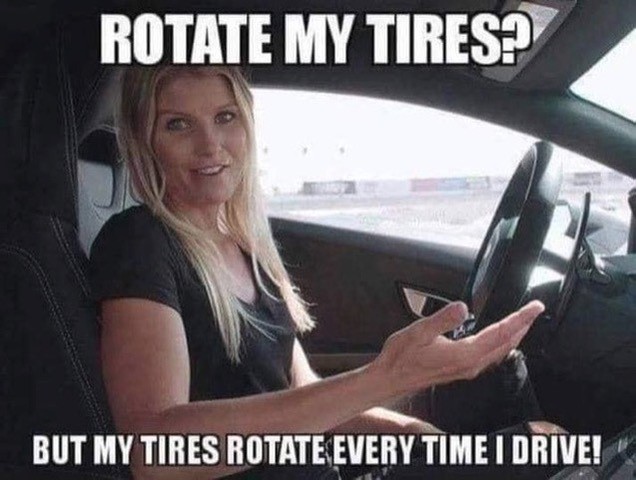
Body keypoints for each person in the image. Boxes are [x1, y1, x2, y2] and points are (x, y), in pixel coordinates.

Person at [89, 65, 559, 480]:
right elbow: (153, 451)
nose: (210, 145)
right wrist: (385, 378)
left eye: (225, 117)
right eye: (178, 124)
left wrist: (415, 435)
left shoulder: (247, 247)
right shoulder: (138, 244)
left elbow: (308, 396)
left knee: (518, 404)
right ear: (146, 141)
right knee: (541, 448)